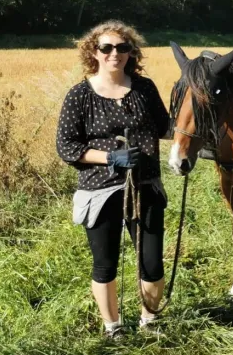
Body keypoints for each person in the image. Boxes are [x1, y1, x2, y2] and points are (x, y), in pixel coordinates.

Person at [56, 21, 171, 337]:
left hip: (145, 186)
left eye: (122, 47)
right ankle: (113, 327)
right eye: (106, 47)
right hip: (99, 189)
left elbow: (165, 127)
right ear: (93, 52)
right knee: (105, 264)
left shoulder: (144, 88)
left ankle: (149, 322)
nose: (114, 54)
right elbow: (67, 146)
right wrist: (109, 157)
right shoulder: (80, 95)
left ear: (131, 52)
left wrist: (201, 127)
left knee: (152, 262)